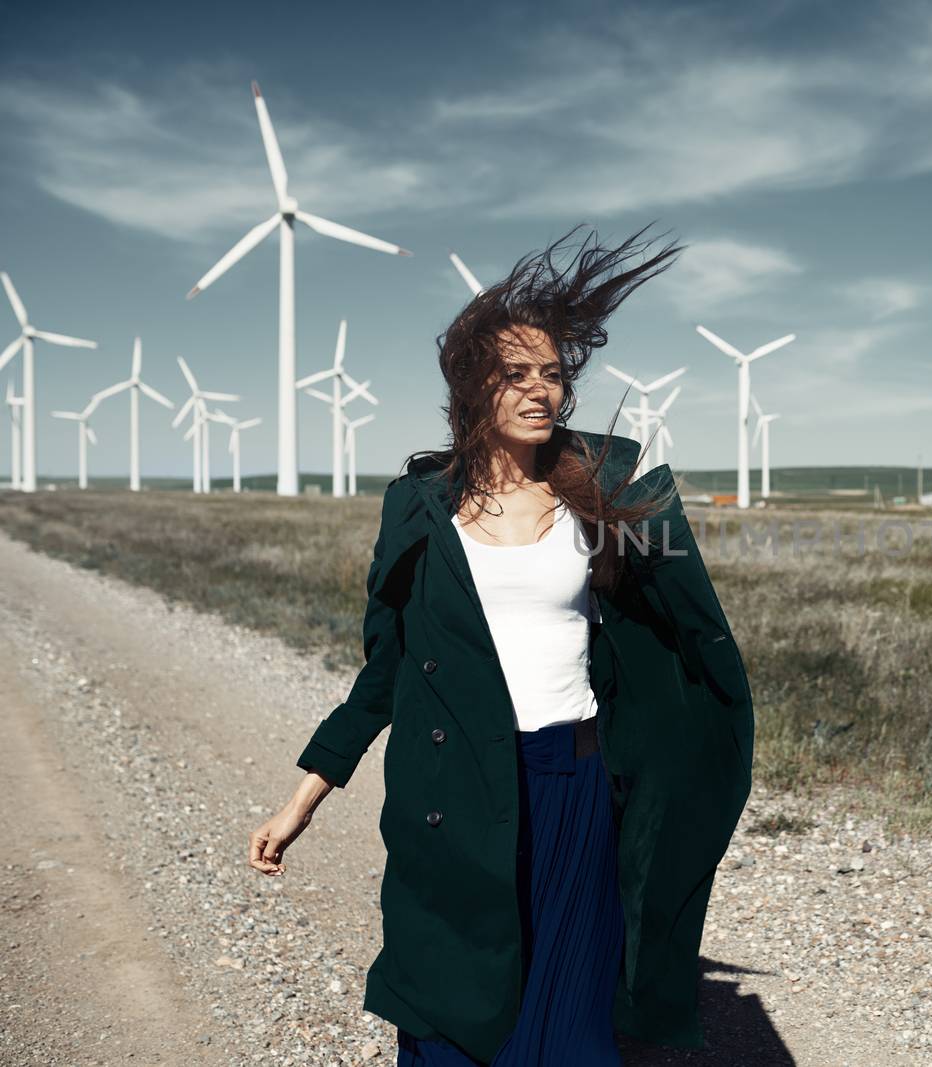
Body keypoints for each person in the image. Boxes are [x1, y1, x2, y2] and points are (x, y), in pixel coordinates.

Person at [247, 223, 755, 1065]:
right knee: (452, 1015)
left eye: (553, 373)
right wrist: (302, 799)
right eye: (514, 373)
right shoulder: (418, 507)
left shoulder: (605, 493)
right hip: (455, 785)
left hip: (574, 785)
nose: (539, 390)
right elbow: (386, 672)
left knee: (568, 1027)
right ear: (472, 387)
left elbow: (669, 631)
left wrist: (704, 738)